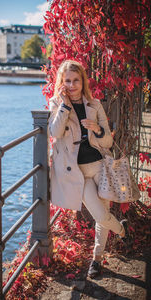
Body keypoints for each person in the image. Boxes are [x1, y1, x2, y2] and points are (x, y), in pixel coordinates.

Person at [48, 60, 128, 278]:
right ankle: (121, 230)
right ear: (62, 83)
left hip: (100, 166)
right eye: (68, 81)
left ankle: (97, 259)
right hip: (77, 173)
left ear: (82, 82)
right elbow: (54, 132)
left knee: (103, 213)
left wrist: (98, 129)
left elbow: (109, 142)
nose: (72, 85)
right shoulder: (56, 103)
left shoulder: (94, 105)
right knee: (101, 214)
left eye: (76, 80)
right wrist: (65, 106)